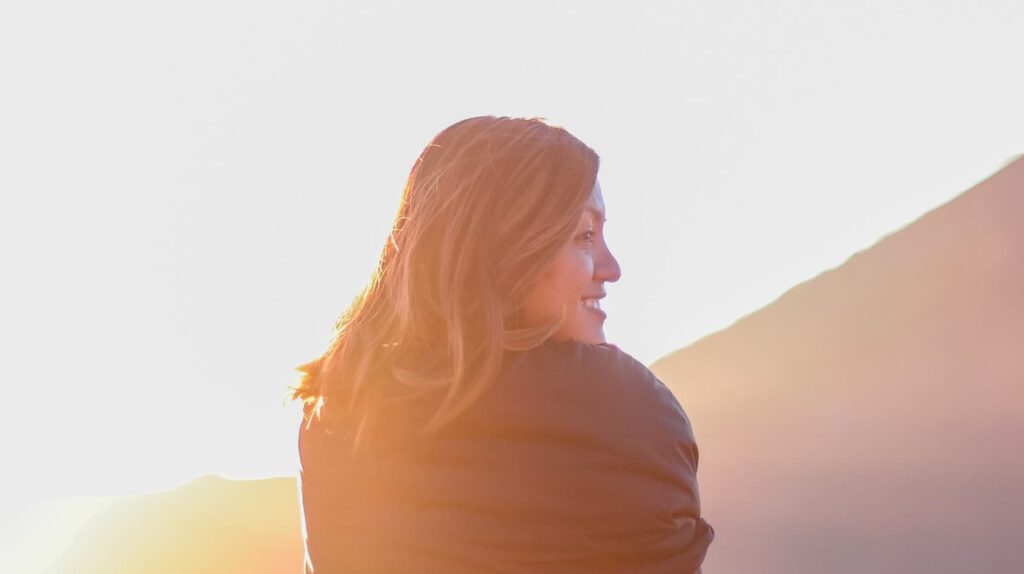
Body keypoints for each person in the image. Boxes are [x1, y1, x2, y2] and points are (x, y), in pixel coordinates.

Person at [290, 116, 714, 573]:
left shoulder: (337, 412)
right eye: (585, 236)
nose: (612, 268)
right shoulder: (632, 415)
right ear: (508, 250)